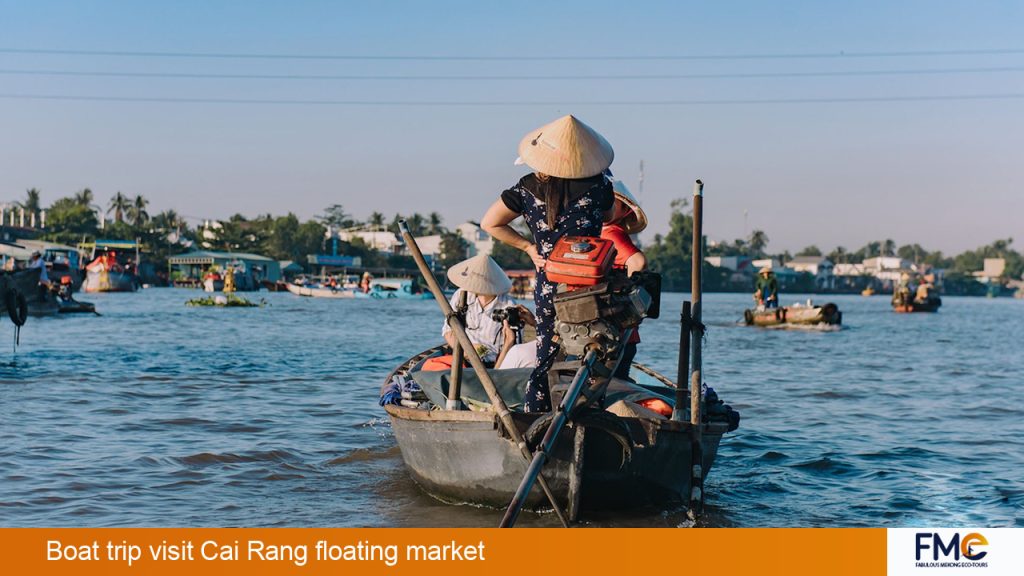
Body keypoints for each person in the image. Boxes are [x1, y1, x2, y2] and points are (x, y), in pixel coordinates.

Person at [481, 114, 615, 413]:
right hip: (588, 285)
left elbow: (490, 223)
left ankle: (537, 414)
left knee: (547, 352)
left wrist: (529, 247)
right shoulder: (599, 185)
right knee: (590, 351)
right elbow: (609, 217)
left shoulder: (526, 187)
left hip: (549, 281)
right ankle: (585, 415)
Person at [600, 179, 649, 378]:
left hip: (615, 332)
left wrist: (624, 298)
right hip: (617, 333)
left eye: (613, 203)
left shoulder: (610, 233)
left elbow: (638, 263)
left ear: (625, 211)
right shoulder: (606, 232)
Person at [441, 254, 518, 364]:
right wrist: (468, 352)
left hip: (494, 361)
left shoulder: (508, 304)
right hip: (462, 357)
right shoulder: (461, 295)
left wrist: (496, 367)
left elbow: (511, 343)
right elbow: (448, 331)